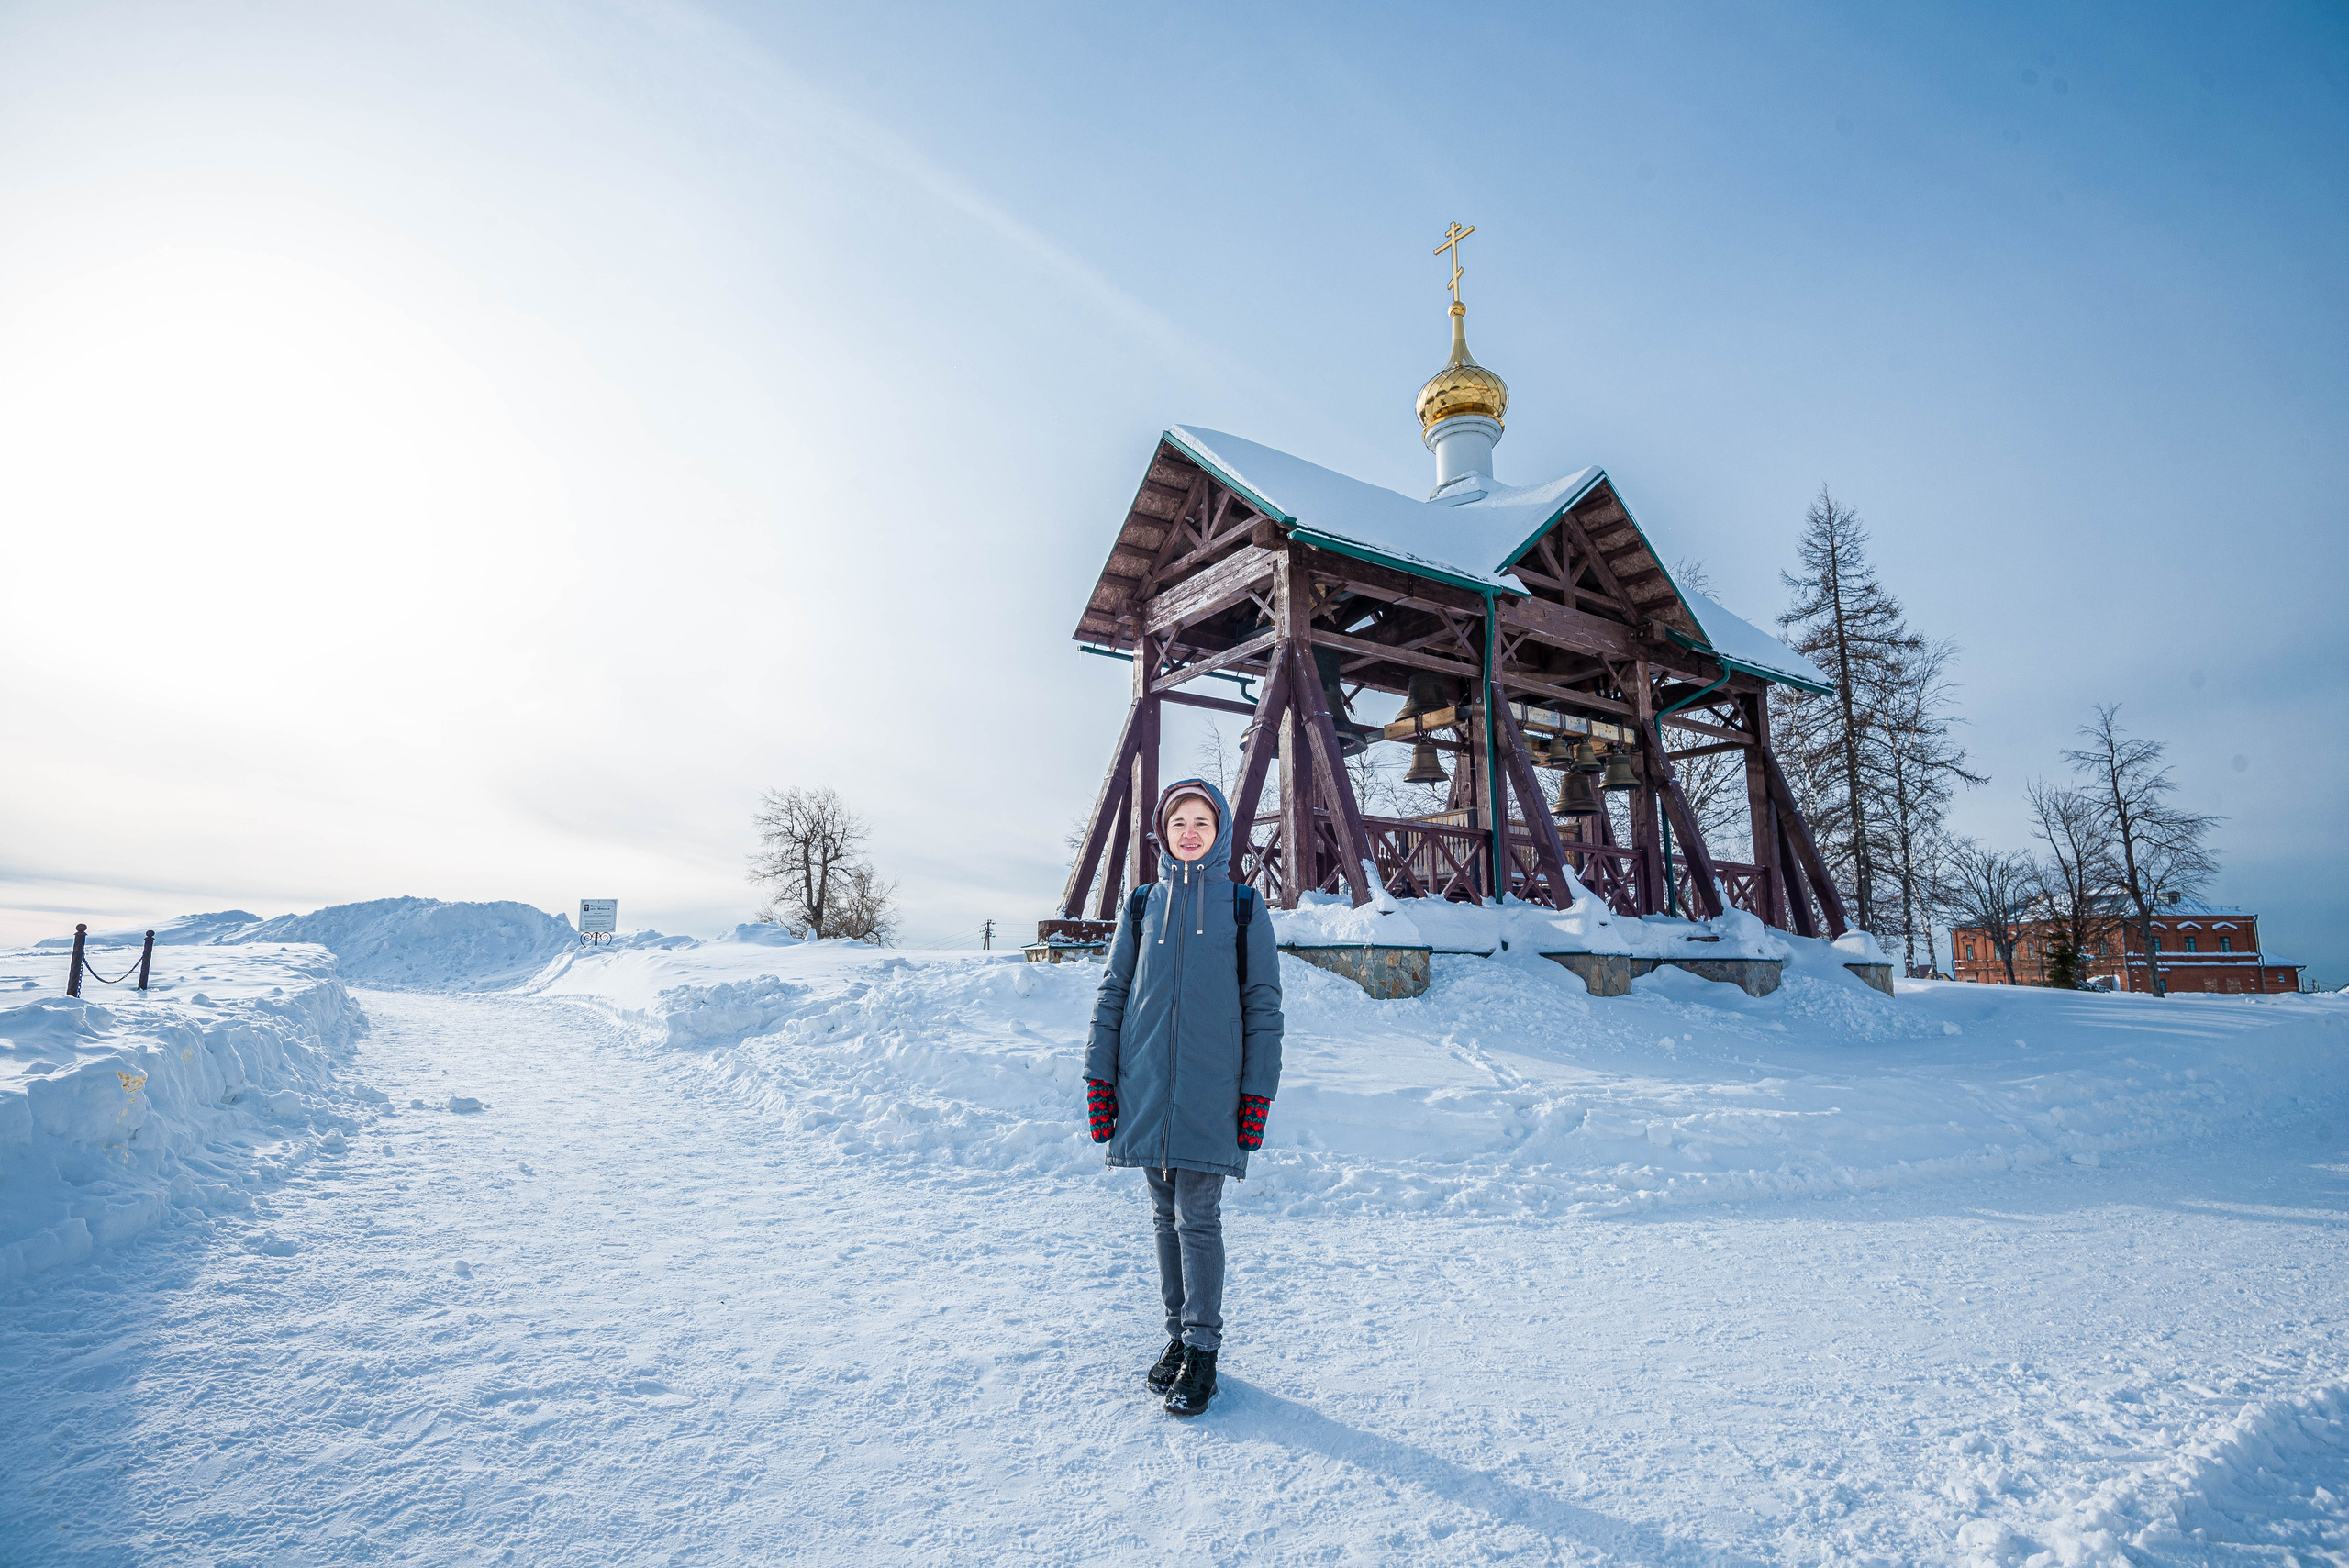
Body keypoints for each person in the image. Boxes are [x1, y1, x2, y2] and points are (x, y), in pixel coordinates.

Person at [1084, 777, 1284, 1418]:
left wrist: (1256, 1093)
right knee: (1162, 1217)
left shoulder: (1244, 907)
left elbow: (1264, 1007)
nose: (1190, 831)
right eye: (1178, 822)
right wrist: (1100, 1078)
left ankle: (1202, 1350)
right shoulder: (1142, 905)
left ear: (1221, 830)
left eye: (1202, 820)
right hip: (1146, 1087)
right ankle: (1177, 1335)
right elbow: (1114, 993)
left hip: (1212, 1093)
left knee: (1197, 1218)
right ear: (1164, 833)